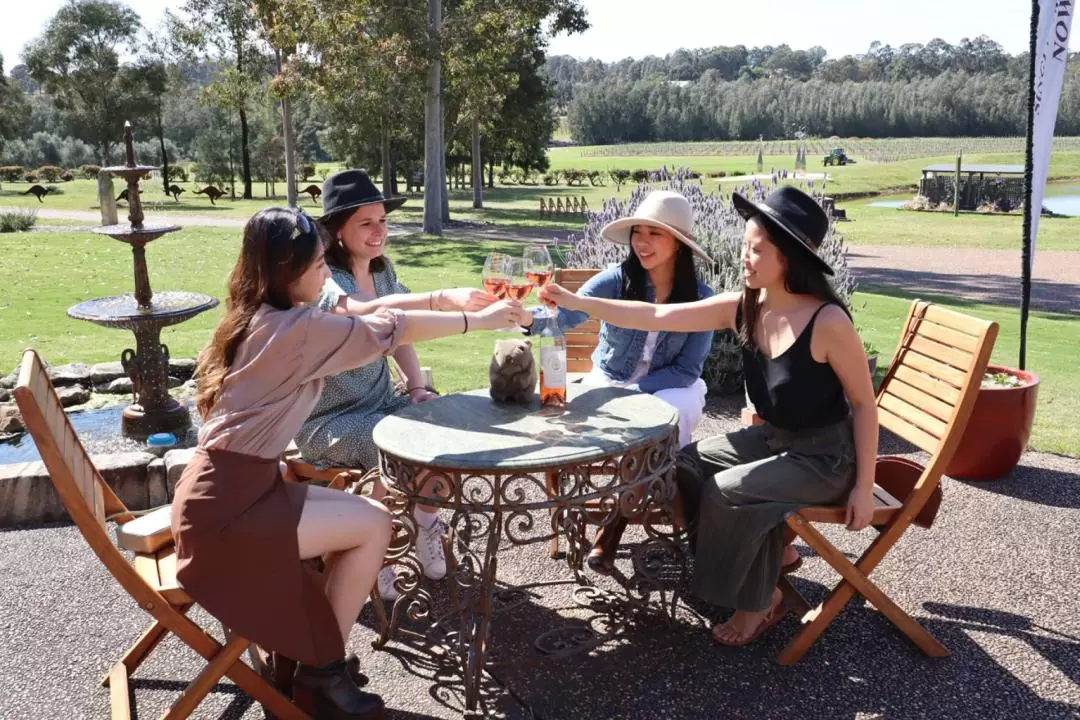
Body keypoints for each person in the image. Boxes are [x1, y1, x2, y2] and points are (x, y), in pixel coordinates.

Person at [171, 206, 526, 719]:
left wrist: (443, 298)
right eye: (318, 265)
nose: (326, 274)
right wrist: (477, 320)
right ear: (288, 272)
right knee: (371, 526)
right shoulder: (294, 330)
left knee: (365, 522)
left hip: (230, 492)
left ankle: (319, 665)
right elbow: (386, 327)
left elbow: (373, 312)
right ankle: (322, 676)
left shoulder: (265, 314)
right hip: (227, 517)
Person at [539, 186, 877, 647]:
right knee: (681, 468)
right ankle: (765, 566)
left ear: (791, 258)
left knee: (727, 492)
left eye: (757, 250)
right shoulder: (745, 306)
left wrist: (862, 487)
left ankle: (757, 602)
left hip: (825, 459)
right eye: (743, 246)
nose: (745, 258)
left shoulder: (828, 322)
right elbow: (655, 314)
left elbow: (863, 404)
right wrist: (579, 302)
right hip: (775, 442)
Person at [294, 170, 496, 600]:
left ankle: (425, 521)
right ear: (338, 230)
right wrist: (447, 302)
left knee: (443, 426)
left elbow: (401, 333)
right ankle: (376, 554)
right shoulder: (325, 279)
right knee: (393, 444)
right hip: (329, 421)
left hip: (382, 401)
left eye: (382, 221)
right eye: (366, 223)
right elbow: (365, 310)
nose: (379, 231)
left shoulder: (384, 273)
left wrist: (418, 388)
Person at [521, 189, 714, 573]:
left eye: (654, 234)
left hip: (671, 385)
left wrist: (634, 397)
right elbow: (569, 315)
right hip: (610, 378)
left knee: (670, 418)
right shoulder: (616, 279)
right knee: (651, 449)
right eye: (637, 232)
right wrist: (524, 318)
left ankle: (611, 530)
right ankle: (691, 528)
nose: (642, 243)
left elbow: (687, 370)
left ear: (678, 243)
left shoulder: (701, 298)